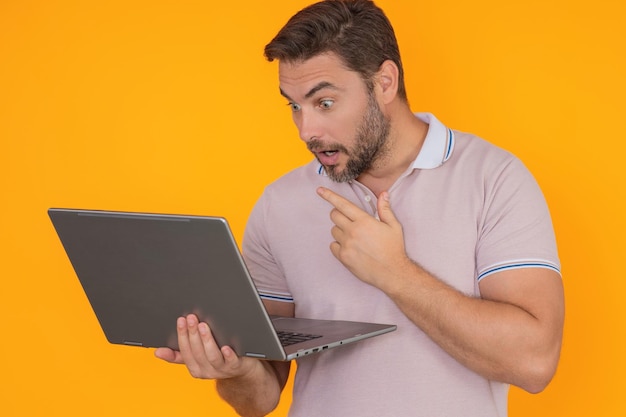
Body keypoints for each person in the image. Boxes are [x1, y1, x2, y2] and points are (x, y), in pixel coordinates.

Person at [155, 1, 565, 415]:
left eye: (325, 103)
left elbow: (534, 363)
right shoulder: (278, 204)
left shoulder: (493, 178)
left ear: (384, 82)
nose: (307, 130)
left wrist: (396, 275)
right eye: (294, 106)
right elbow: (260, 399)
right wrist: (234, 370)